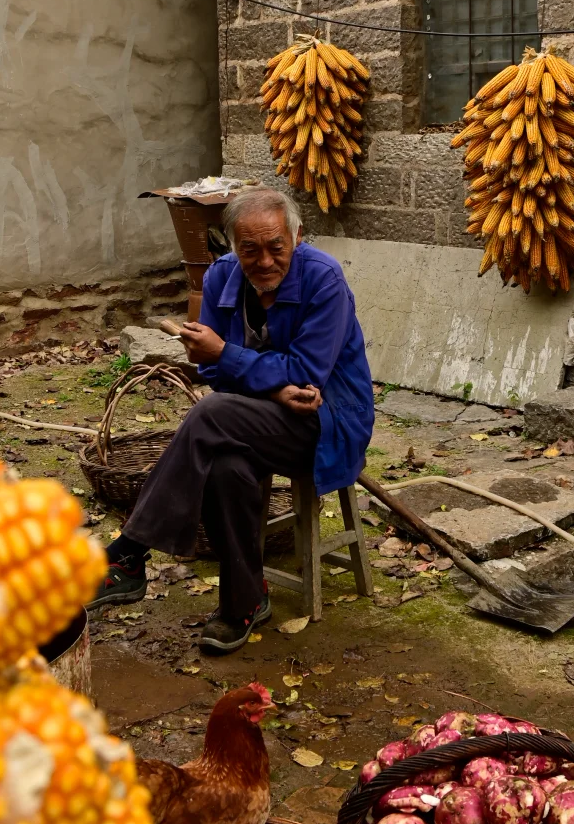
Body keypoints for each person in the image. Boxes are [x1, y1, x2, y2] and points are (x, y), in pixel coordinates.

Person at [90, 187, 375, 653]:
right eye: (250, 249)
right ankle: (245, 602)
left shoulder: (324, 279)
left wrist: (229, 355)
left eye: (276, 247)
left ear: (297, 237)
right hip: (246, 422)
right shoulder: (222, 277)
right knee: (225, 464)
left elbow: (304, 374)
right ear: (233, 246)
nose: (264, 261)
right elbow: (209, 370)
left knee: (212, 412)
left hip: (325, 424)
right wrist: (271, 384)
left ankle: (128, 552)